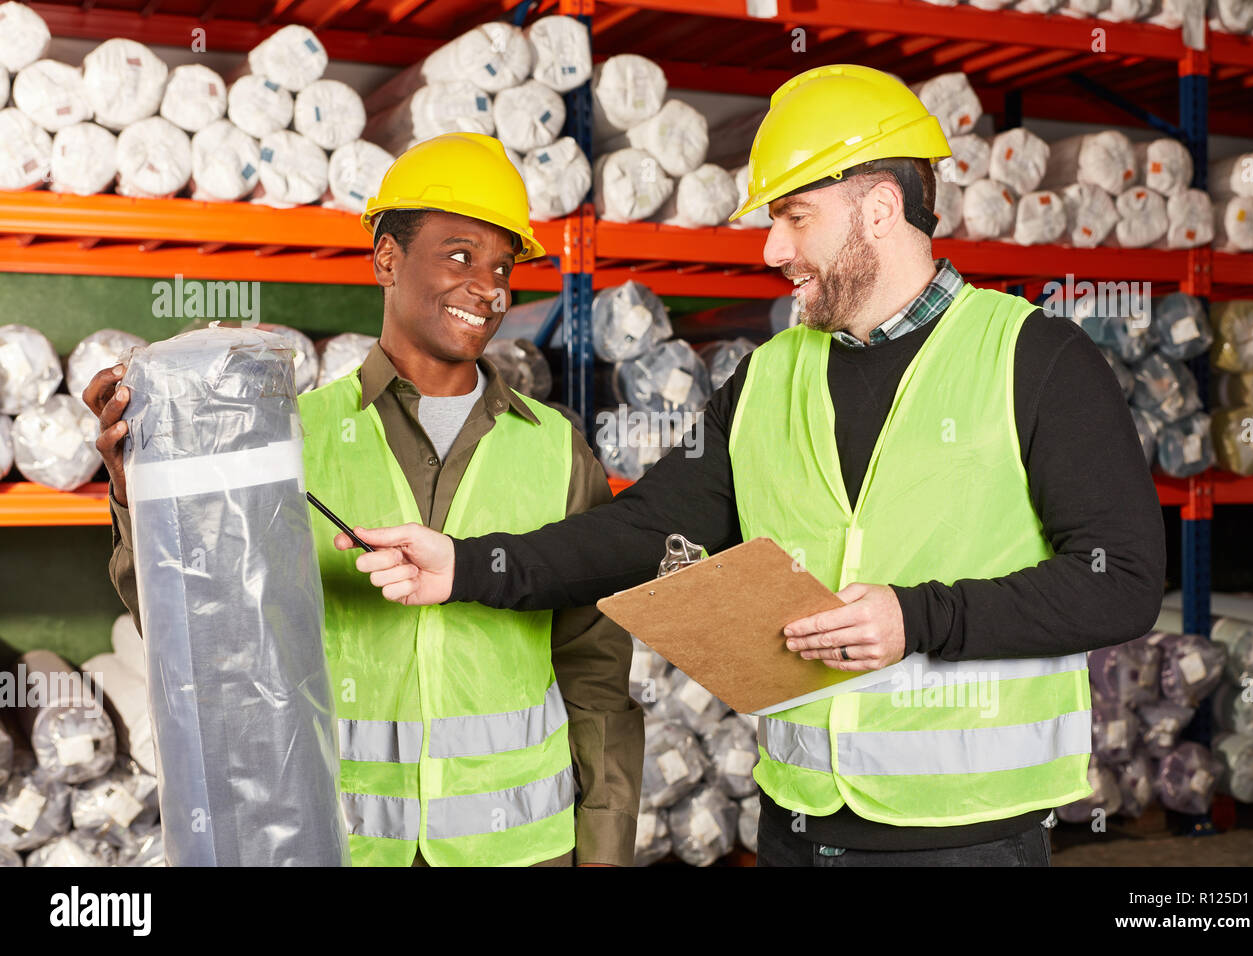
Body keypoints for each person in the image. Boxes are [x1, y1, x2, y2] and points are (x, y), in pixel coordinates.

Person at [332, 67, 1168, 867]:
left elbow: (1122, 578)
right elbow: (640, 530)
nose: (773, 247)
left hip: (965, 836)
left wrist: (919, 619)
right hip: (796, 825)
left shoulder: (1032, 357)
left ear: (878, 208)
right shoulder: (770, 375)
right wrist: (467, 565)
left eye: (796, 216)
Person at [83, 132, 644, 868]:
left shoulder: (557, 450)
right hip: (346, 846)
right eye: (459, 255)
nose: (489, 286)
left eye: (503, 265)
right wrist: (141, 497)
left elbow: (595, 669)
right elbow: (201, 636)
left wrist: (603, 853)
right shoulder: (288, 441)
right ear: (386, 257)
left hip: (520, 848)